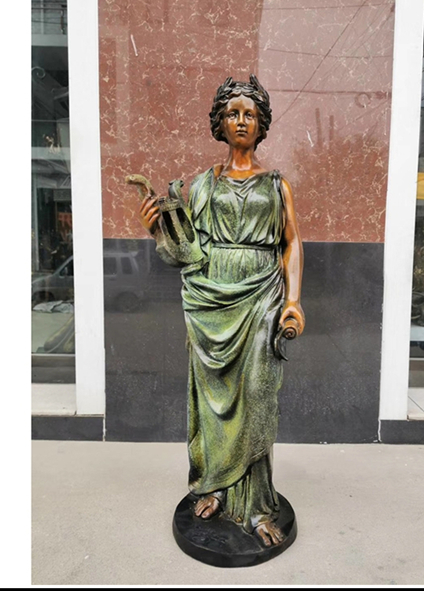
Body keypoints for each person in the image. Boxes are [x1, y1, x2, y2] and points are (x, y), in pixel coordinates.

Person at [138, 75, 304, 547]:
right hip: (210, 301)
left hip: (262, 298)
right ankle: (214, 486)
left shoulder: (277, 185)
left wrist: (293, 301)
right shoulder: (203, 185)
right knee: (214, 404)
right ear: (220, 122)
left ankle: (257, 506)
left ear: (262, 124)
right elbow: (187, 250)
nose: (241, 121)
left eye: (250, 114)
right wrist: (158, 229)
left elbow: (292, 242)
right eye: (233, 113)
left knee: (257, 398)